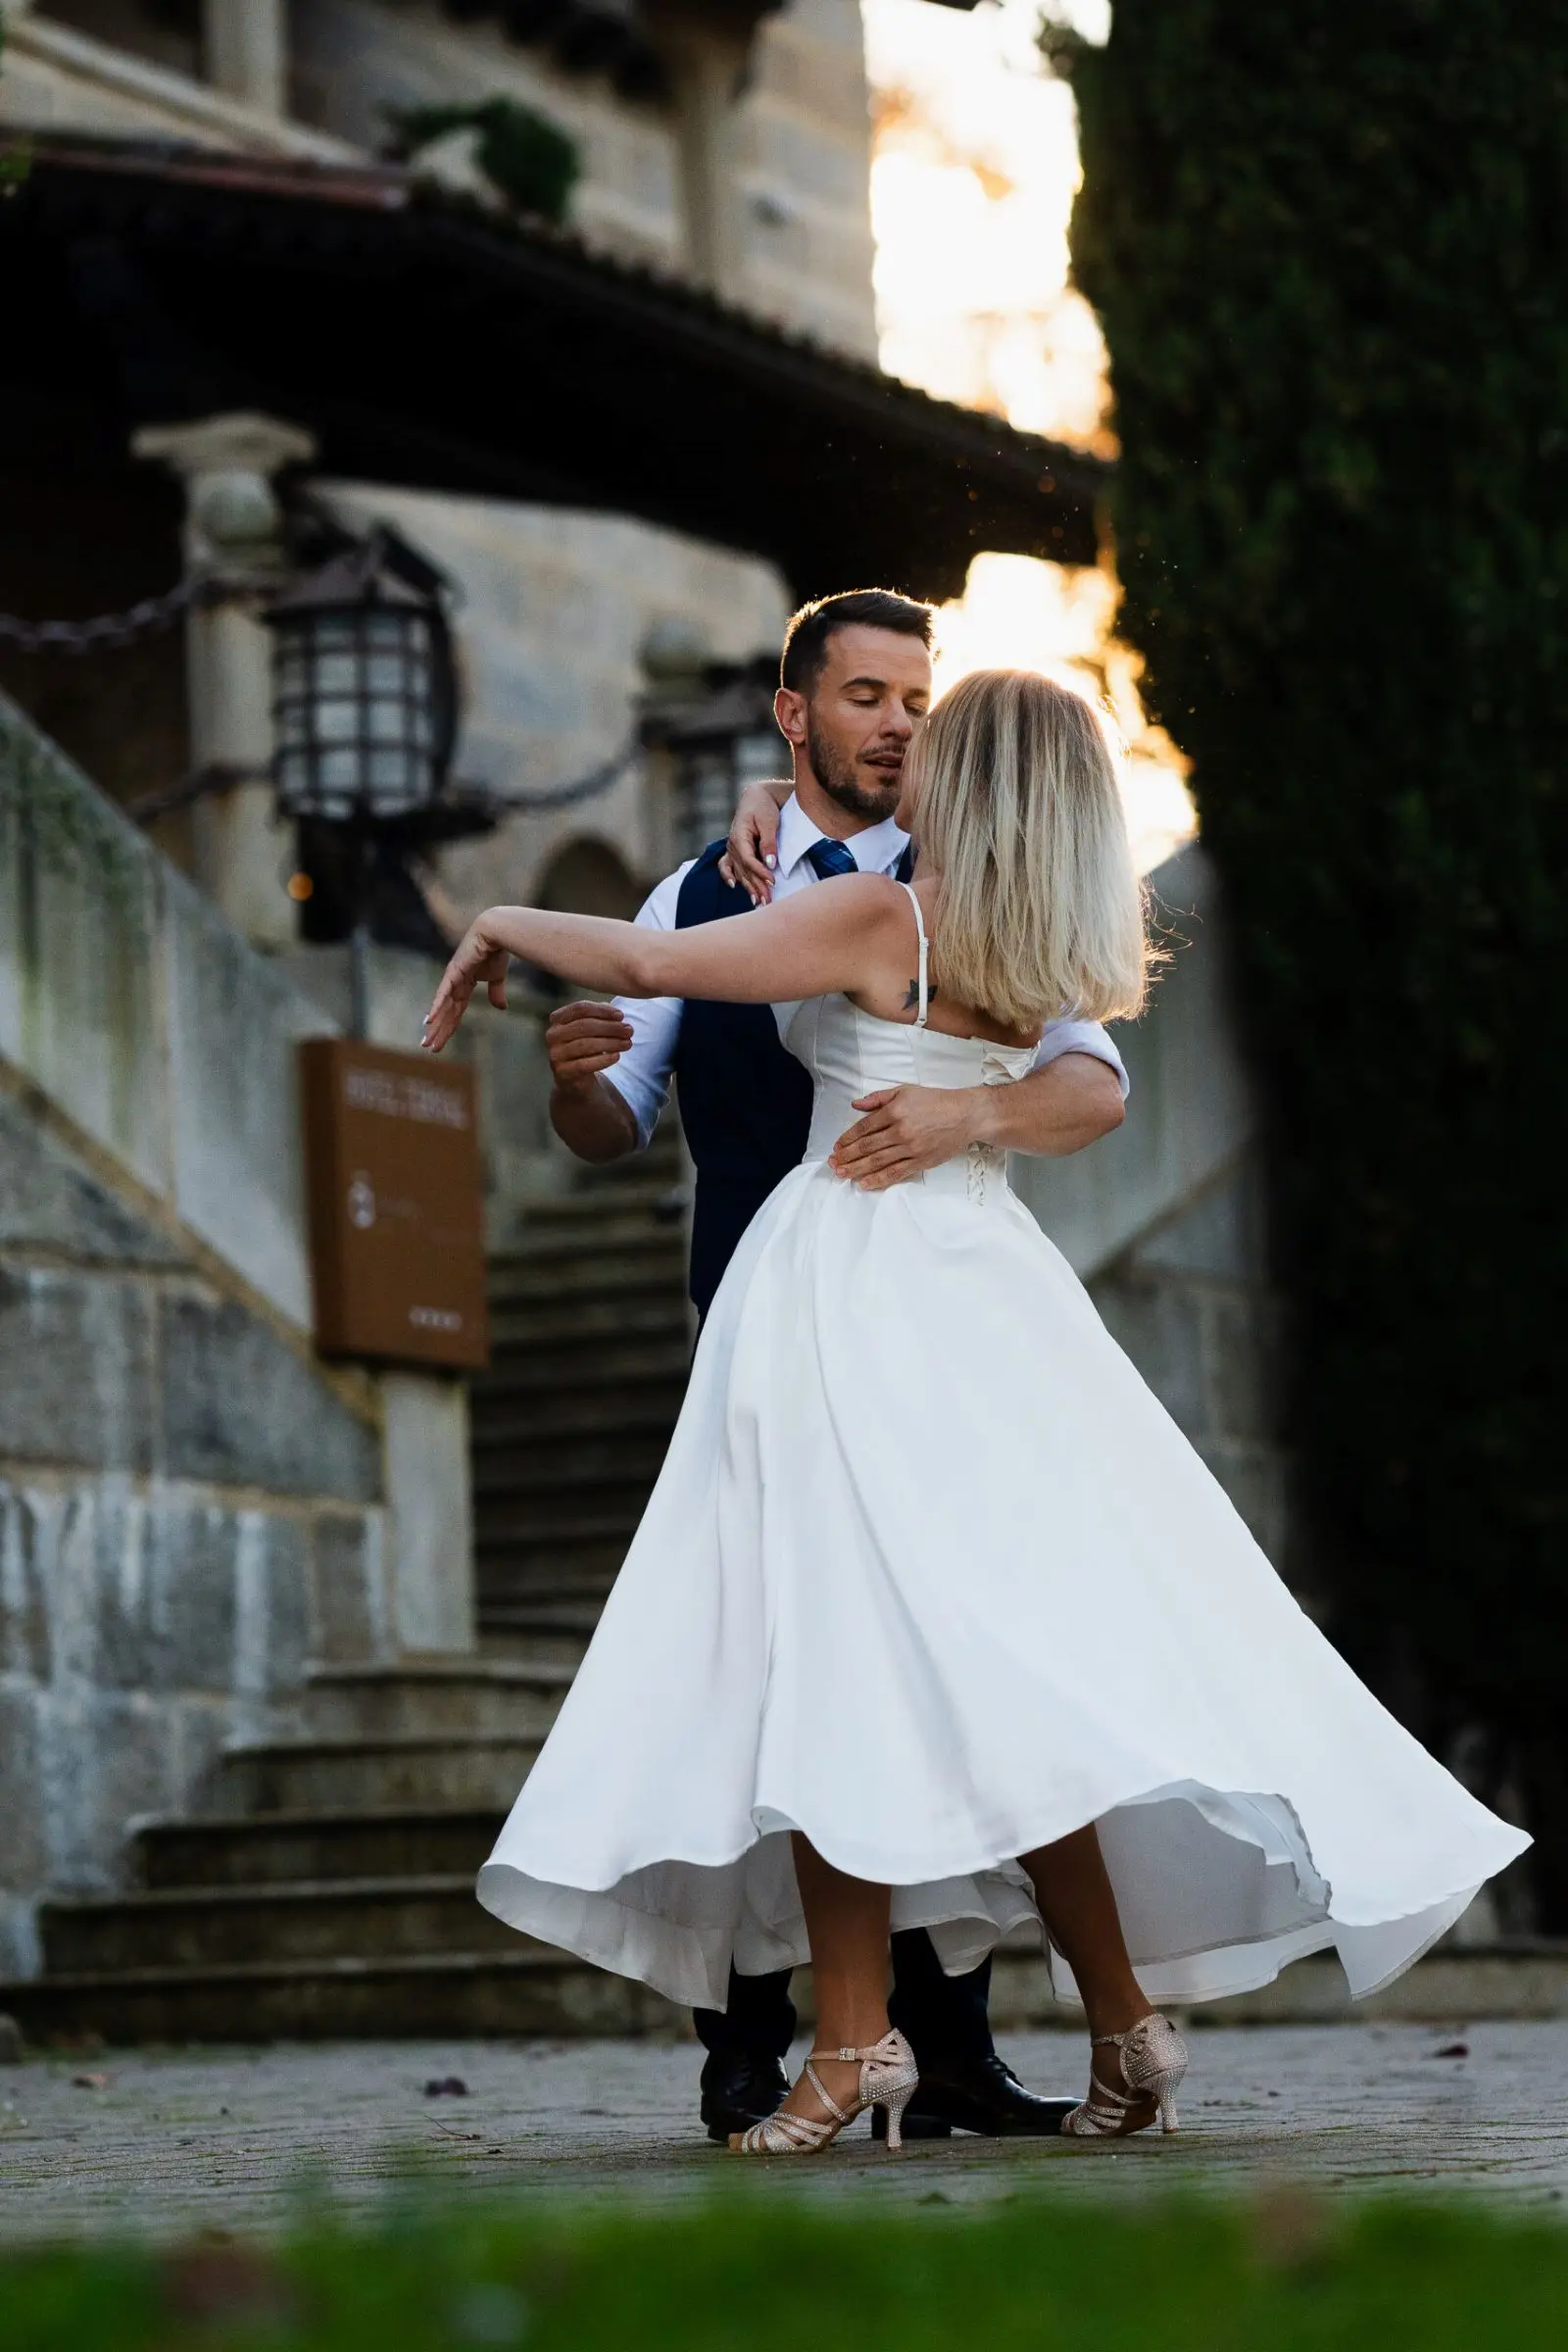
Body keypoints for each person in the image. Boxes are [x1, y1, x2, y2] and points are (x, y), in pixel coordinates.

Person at [424, 665, 1529, 2157]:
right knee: (992, 1681)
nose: (905, 752)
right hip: (986, 1297)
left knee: (824, 1647)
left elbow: (650, 954)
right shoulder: (1033, 938)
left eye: (929, 737)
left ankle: (853, 2045)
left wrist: (495, 919)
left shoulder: (883, 919)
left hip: (852, 1292)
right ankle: (1121, 2029)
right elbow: (1088, 1087)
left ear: (976, 780)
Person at [541, 590, 1129, 2145]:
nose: (896, 724)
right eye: (866, 697)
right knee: (761, 1659)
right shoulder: (703, 883)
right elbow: (618, 1123)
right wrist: (578, 1087)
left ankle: (934, 2047)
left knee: (891, 1653)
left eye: (919, 703)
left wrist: (969, 1116)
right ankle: (759, 2039)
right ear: (794, 716)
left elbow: (1092, 1075)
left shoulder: (965, 880)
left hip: (909, 1320)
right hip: (757, 1315)